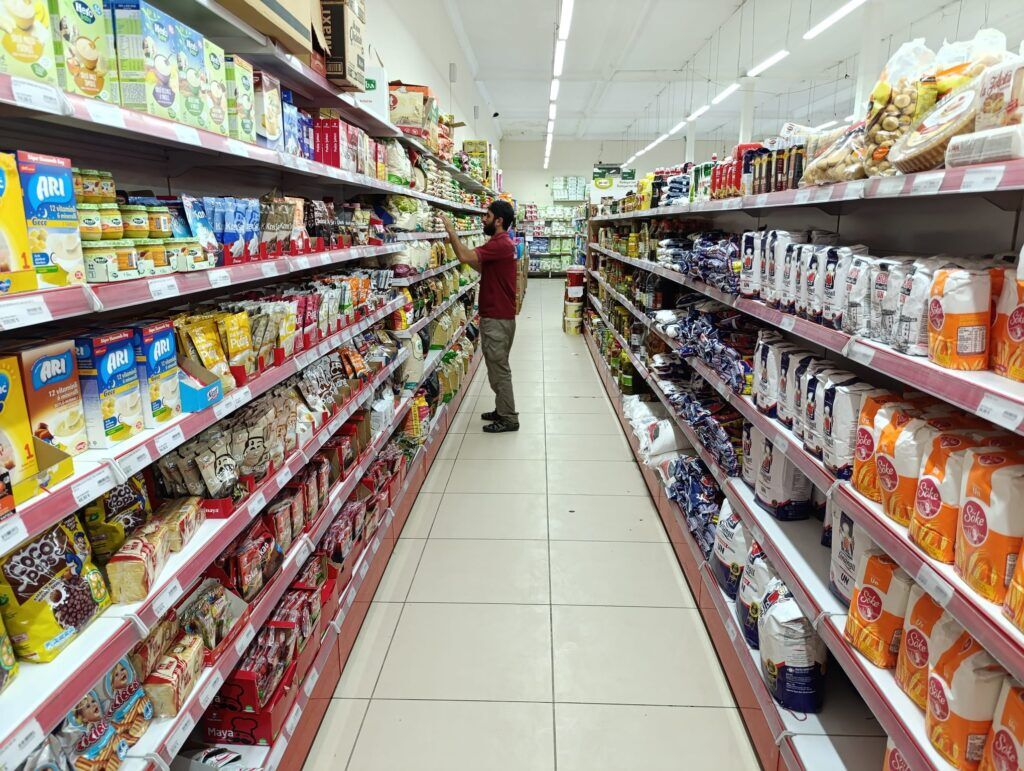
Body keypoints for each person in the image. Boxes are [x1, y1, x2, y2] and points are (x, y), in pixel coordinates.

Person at [442, 200, 519, 433]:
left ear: (499, 221)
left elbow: (466, 257)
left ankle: (508, 418)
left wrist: (451, 231)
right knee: (496, 366)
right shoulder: (501, 243)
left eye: (487, 215)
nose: (483, 219)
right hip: (498, 315)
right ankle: (502, 408)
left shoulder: (501, 243)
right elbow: (484, 268)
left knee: (499, 368)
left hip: (497, 317)